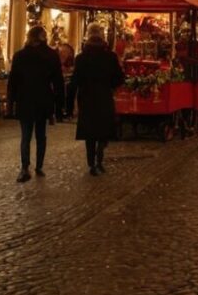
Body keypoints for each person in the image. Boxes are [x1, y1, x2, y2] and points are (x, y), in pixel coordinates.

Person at [8, 25, 65, 183]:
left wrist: (11, 103)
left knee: (26, 136)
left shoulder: (20, 55)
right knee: (41, 135)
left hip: (24, 99)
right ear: (43, 37)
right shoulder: (51, 55)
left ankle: (25, 167)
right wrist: (60, 105)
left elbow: (13, 81)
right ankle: (39, 166)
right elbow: (58, 81)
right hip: (43, 100)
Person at [71, 22, 125, 176]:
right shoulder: (110, 56)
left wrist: (71, 101)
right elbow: (119, 78)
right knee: (103, 130)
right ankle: (99, 159)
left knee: (90, 132)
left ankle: (91, 163)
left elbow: (75, 80)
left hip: (87, 97)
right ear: (101, 36)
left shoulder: (81, 58)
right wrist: (111, 86)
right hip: (104, 96)